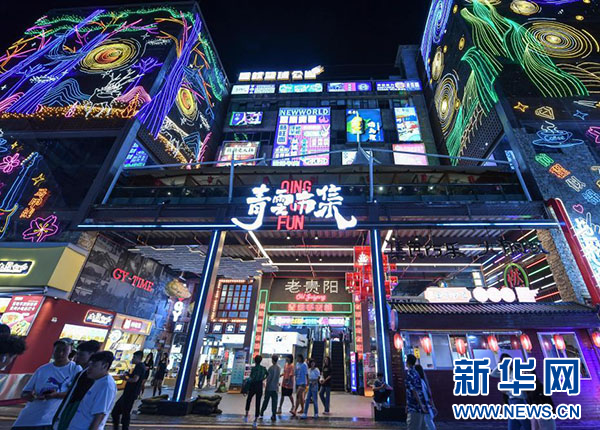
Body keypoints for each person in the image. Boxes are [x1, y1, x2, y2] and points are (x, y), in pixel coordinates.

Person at [12, 339, 81, 430]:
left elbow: (75, 394)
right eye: (57, 350)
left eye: (64, 350)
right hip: (26, 419)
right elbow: (24, 393)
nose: (60, 353)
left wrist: (56, 395)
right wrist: (33, 396)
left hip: (49, 421)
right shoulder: (42, 369)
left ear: (70, 351)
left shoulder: (75, 369)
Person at [53, 340, 102, 430]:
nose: (76, 358)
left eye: (81, 355)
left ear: (91, 355)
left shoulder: (93, 378)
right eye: (77, 354)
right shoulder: (82, 373)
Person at [67, 351, 117, 430]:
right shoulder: (98, 381)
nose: (89, 368)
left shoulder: (106, 385)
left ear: (105, 366)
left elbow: (99, 415)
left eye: (94, 365)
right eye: (89, 364)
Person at [492, 354, 531, 430]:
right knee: (513, 427)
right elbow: (493, 374)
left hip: (519, 401)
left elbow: (520, 392)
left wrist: (507, 392)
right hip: (511, 402)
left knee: (526, 425)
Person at [111, 350, 146, 430]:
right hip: (129, 393)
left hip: (130, 393)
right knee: (120, 412)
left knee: (123, 412)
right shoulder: (140, 366)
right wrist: (129, 374)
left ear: (139, 358)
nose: (132, 359)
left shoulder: (139, 367)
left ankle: (122, 428)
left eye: (134, 357)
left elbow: (135, 379)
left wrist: (125, 378)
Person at [405, 354, 428, 430]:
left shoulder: (410, 373)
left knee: (413, 426)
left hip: (414, 406)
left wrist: (421, 405)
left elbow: (414, 391)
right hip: (418, 406)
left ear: (407, 362)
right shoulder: (416, 372)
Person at [244, 355, 268, 427]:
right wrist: (263, 379)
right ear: (261, 361)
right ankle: (255, 419)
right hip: (259, 385)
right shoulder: (263, 368)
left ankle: (246, 414)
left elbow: (251, 377)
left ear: (255, 361)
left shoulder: (253, 369)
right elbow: (267, 374)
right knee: (258, 402)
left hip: (253, 385)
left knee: (249, 399)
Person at [415, 364, 437, 430]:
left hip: (424, 407)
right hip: (426, 407)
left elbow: (423, 396)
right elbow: (428, 395)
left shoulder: (419, 382)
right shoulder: (423, 382)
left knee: (427, 424)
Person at [260, 354, 281, 421]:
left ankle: (262, 412)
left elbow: (269, 378)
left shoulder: (270, 368)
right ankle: (273, 415)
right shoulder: (279, 368)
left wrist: (266, 385)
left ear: (272, 360)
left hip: (269, 387)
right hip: (275, 388)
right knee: (274, 402)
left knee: (266, 400)